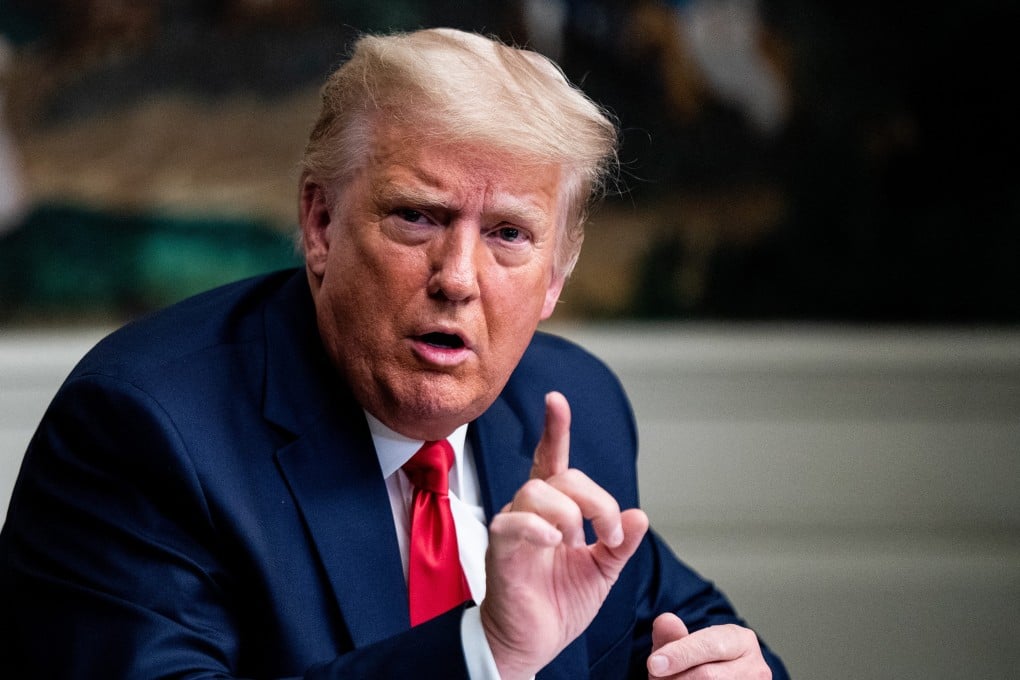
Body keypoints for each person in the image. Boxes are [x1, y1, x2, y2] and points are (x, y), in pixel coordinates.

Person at [0, 28, 788, 679]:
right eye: (416, 217)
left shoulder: (569, 404)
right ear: (319, 223)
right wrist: (486, 653)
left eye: (509, 234)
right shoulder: (147, 430)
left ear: (556, 275)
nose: (457, 279)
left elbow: (684, 632)